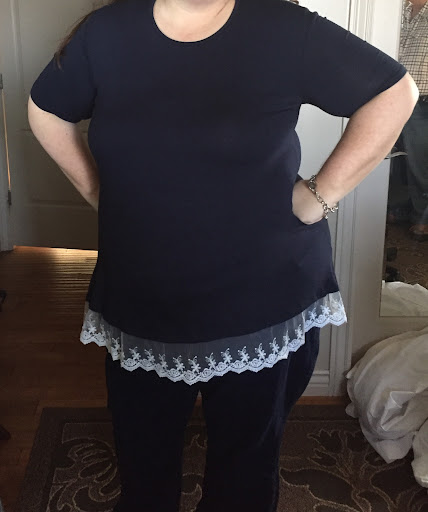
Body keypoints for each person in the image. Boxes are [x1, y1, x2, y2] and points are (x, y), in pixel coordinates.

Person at [28, 0, 417, 510]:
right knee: (143, 469)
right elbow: (46, 108)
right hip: (142, 296)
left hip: (262, 297)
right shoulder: (105, 33)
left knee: (244, 473)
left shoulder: (283, 27)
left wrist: (320, 195)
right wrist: (97, 191)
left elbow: (394, 92)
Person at [389, 0, 428, 240]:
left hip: (423, 99)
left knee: (420, 164)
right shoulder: (394, 8)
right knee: (402, 163)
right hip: (395, 96)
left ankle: (423, 218)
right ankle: (406, 209)